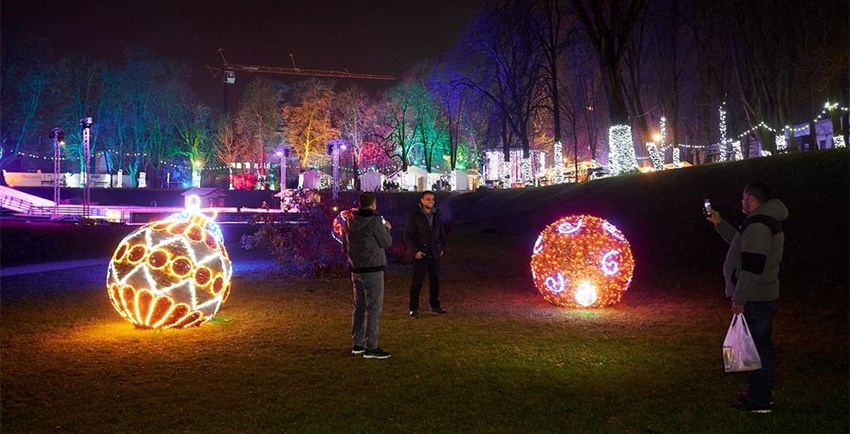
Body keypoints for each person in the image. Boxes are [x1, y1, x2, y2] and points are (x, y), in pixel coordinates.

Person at [706, 181, 788, 413]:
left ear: (751, 199)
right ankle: (758, 393)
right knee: (759, 346)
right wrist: (720, 224)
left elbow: (752, 266)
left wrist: (739, 299)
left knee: (758, 348)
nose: (742, 202)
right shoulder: (762, 220)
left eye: (744, 198)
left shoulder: (759, 223)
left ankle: (760, 399)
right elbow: (741, 244)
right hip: (761, 294)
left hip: (756, 297)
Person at [342, 192, 393, 359]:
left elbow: (345, 245)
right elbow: (386, 242)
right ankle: (371, 347)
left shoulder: (349, 220)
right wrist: (386, 229)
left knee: (359, 307)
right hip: (373, 268)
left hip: (356, 268)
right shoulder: (374, 220)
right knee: (373, 308)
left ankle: (357, 344)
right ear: (373, 203)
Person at [404, 191, 447, 318]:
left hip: (434, 253)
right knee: (417, 282)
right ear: (422, 201)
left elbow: (441, 232)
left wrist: (443, 246)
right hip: (421, 254)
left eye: (432, 199)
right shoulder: (415, 216)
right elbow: (408, 235)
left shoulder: (436, 215)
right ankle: (413, 308)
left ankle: (435, 306)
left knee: (435, 281)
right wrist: (415, 250)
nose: (431, 201)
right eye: (428, 199)